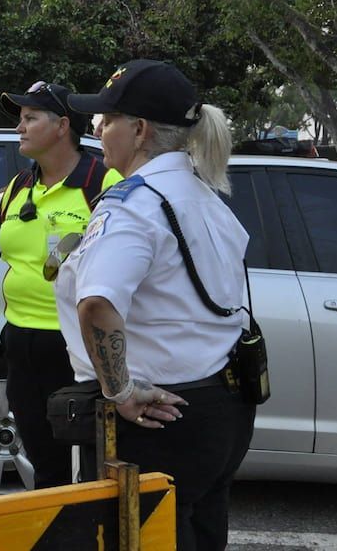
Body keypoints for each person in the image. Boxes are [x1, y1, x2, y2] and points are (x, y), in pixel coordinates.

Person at [55, 59, 255, 550]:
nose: (98, 130)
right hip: (225, 406)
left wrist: (119, 391)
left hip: (161, 417)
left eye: (107, 119)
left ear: (139, 130)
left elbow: (98, 303)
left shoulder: (132, 203)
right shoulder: (204, 195)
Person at [0, 81, 121, 489]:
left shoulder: (103, 182)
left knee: (88, 466)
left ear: (63, 125)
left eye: (30, 118)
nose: (20, 128)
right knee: (43, 464)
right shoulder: (17, 188)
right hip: (20, 343)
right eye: (21, 119)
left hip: (76, 350)